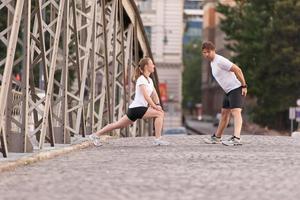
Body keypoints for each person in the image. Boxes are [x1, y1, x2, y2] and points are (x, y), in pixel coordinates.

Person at [89, 57, 169, 146]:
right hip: (137, 108)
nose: (154, 65)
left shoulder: (149, 80)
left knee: (117, 125)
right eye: (152, 64)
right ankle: (157, 139)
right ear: (146, 66)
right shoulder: (141, 79)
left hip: (135, 110)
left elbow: (154, 94)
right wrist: (155, 106)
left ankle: (95, 135)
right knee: (160, 114)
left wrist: (158, 104)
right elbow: (146, 96)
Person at [202, 41, 247, 146]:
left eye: (208, 52)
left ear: (213, 51)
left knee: (236, 112)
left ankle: (236, 138)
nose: (206, 54)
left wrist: (244, 85)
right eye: (204, 52)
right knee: (224, 114)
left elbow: (237, 69)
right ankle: (217, 137)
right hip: (227, 91)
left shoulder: (220, 60)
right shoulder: (212, 63)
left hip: (236, 88)